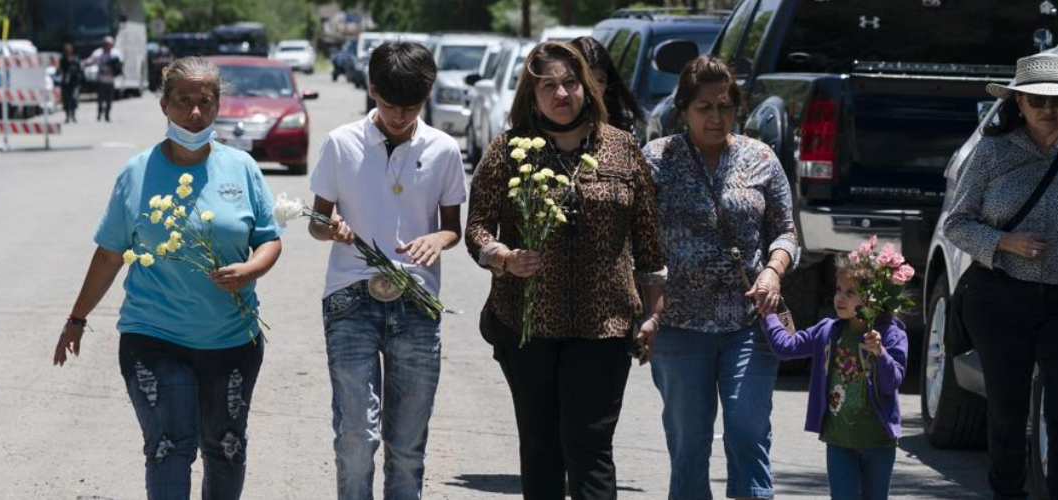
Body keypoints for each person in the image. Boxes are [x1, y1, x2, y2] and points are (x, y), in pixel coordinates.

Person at [51, 56, 283, 500]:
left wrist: (252, 269)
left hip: (232, 340)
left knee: (226, 449)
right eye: (183, 101)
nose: (194, 113)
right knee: (168, 448)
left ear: (218, 107)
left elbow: (270, 240)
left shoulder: (243, 168)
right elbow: (108, 255)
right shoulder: (137, 173)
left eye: (204, 101)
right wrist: (77, 318)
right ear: (164, 105)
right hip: (153, 338)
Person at [465, 41, 666, 500]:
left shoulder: (621, 148)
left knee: (590, 445)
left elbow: (650, 244)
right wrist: (504, 258)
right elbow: (476, 228)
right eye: (549, 86)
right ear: (531, 96)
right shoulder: (509, 150)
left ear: (587, 87)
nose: (562, 93)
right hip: (528, 322)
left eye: (570, 82)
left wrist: (653, 312)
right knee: (540, 446)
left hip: (605, 325)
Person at [944, 53, 1058, 500]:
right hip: (1001, 299)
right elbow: (956, 223)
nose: (1048, 109)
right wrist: (1005, 243)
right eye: (1037, 100)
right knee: (1007, 413)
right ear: (1018, 102)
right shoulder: (991, 152)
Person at [308, 41, 467, 500]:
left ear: (428, 95)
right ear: (372, 89)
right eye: (390, 104)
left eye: (412, 105)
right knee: (356, 438)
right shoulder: (341, 143)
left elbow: (452, 228)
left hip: (417, 304)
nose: (400, 115)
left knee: (408, 446)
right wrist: (331, 227)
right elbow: (318, 222)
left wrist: (436, 240)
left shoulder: (443, 149)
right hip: (350, 300)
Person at [639, 55, 796, 500]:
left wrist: (773, 270)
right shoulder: (657, 160)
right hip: (679, 328)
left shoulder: (761, 158)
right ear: (683, 110)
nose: (716, 116)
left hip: (749, 322)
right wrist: (646, 306)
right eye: (704, 107)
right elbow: (637, 238)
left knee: (748, 432)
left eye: (725, 106)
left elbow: (785, 231)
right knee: (688, 444)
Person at [762, 254, 908, 500]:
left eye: (851, 292)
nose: (840, 297)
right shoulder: (828, 331)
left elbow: (890, 382)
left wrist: (880, 354)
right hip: (839, 441)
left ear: (874, 298)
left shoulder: (890, 334)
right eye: (838, 289)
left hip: (878, 441)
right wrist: (768, 313)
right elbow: (786, 347)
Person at [570, 36, 643, 135]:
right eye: (586, 80)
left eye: (600, 80)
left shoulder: (621, 127)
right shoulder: (552, 123)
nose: (594, 89)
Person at [86, 36, 123, 122]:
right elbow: (90, 60)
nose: (107, 46)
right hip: (101, 80)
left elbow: (121, 63)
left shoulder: (115, 53)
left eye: (109, 44)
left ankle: (107, 115)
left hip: (110, 80)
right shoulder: (98, 53)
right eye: (106, 44)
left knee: (109, 100)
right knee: (100, 100)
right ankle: (99, 114)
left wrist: (116, 65)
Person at [57, 42, 85, 123]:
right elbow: (59, 70)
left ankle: (73, 116)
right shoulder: (62, 59)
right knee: (66, 100)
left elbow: (79, 70)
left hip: (74, 83)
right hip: (65, 83)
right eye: (66, 50)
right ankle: (67, 116)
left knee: (73, 99)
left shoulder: (75, 59)